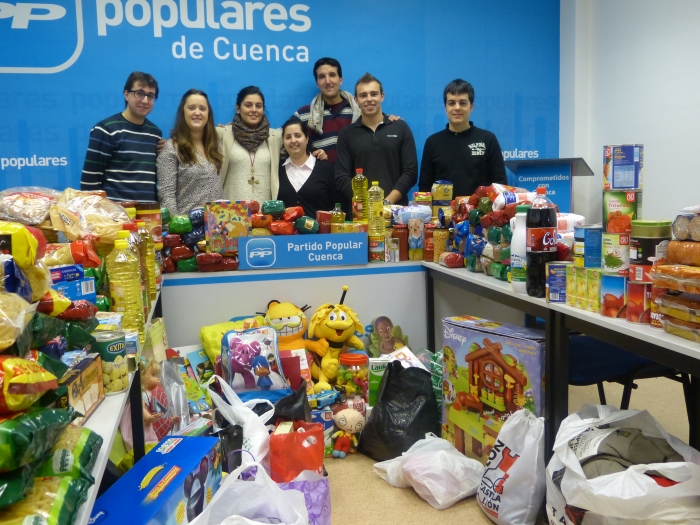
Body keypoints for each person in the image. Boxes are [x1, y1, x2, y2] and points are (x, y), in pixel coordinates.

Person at [335, 73, 418, 206]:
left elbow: (410, 172)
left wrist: (386, 203)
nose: (369, 99)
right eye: (363, 95)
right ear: (356, 100)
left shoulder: (400, 128)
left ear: (382, 96)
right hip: (360, 213)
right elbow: (341, 177)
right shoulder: (346, 134)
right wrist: (365, 203)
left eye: (374, 94)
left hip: (395, 212)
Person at [80, 71, 162, 203]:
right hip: (116, 217)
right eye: (139, 93)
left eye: (150, 96)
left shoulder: (155, 133)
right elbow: (90, 183)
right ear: (126, 94)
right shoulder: (105, 129)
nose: (145, 100)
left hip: (149, 216)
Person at [419, 79, 507, 198]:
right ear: (445, 107)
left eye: (463, 103)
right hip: (442, 214)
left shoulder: (487, 139)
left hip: (478, 214)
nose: (457, 108)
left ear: (471, 106)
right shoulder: (433, 142)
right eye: (451, 103)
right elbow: (424, 188)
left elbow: (500, 186)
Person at [156, 89, 223, 215]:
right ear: (183, 112)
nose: (197, 113)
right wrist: (176, 228)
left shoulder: (216, 147)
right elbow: (166, 195)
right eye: (192, 108)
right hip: (186, 228)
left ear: (208, 114)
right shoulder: (172, 148)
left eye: (202, 109)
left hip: (215, 228)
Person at [218, 86, 283, 202]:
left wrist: (317, 151)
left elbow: (298, 147)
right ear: (238, 108)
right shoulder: (224, 134)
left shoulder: (275, 137)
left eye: (258, 106)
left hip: (264, 214)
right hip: (231, 214)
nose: (254, 110)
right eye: (248, 105)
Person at [292, 57, 361, 163]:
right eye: (322, 77)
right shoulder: (304, 114)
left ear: (340, 80)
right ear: (317, 83)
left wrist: (391, 121)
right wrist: (310, 152)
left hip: (354, 176)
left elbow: (378, 127)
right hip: (320, 177)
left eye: (332, 75)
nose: (327, 81)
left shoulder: (359, 110)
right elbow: (282, 138)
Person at [277, 118, 335, 218]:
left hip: (321, 233)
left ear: (307, 138)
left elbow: (337, 204)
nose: (293, 140)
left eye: (298, 136)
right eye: (288, 137)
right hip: (285, 233)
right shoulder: (277, 170)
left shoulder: (325, 168)